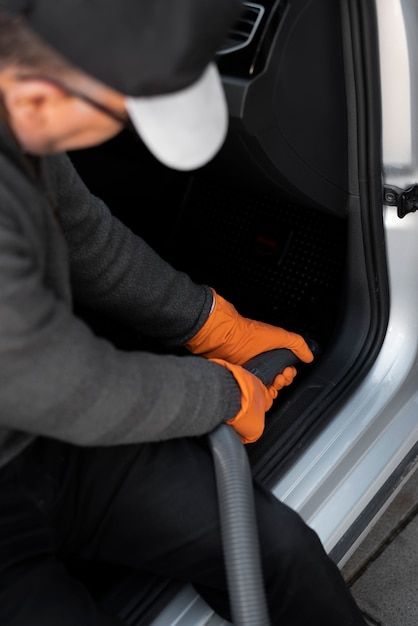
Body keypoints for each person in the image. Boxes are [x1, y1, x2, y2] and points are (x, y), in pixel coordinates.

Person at [0, 1, 367, 625]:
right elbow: (59, 384)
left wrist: (211, 325)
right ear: (38, 100)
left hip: (50, 444)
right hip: (43, 421)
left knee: (275, 553)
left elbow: (85, 237)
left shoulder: (21, 92)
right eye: (119, 116)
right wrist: (220, 392)